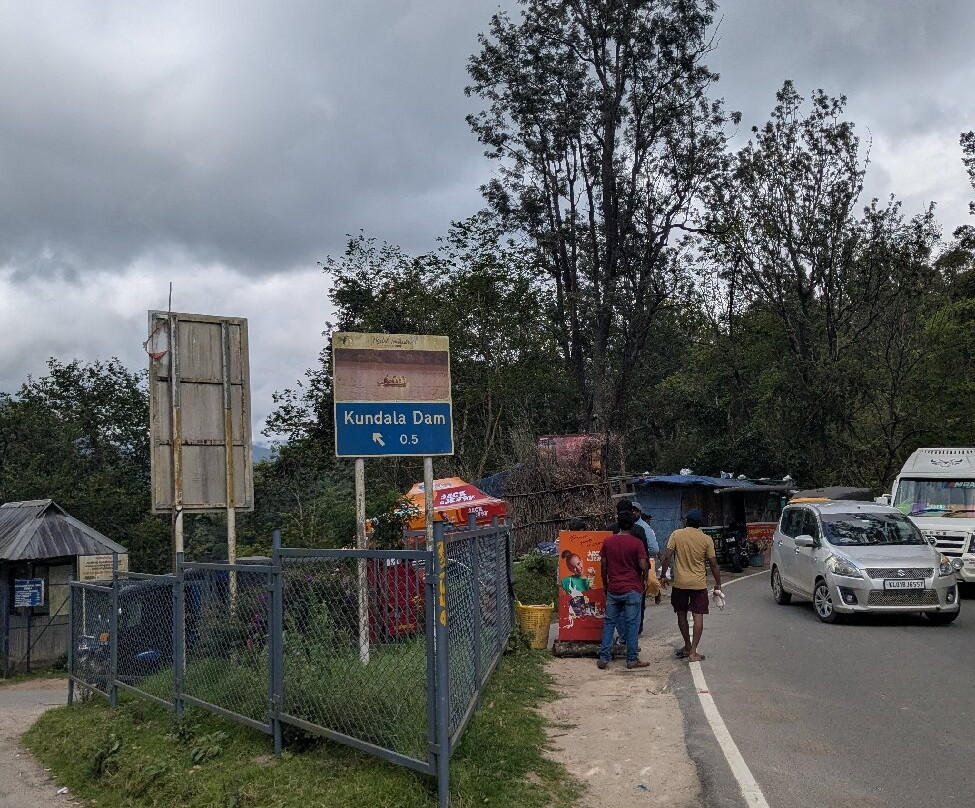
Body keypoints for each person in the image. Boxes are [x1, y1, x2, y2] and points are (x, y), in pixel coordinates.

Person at [659, 508, 722, 662]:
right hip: (699, 584)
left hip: (680, 583)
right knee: (698, 616)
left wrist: (663, 575)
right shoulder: (706, 539)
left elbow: (667, 557)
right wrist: (718, 583)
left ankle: (687, 645)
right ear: (700, 524)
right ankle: (693, 651)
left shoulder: (676, 534)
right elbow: (713, 564)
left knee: (681, 614)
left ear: (686, 521)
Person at [597, 510, 650, 670]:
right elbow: (642, 564)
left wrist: (605, 584)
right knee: (632, 624)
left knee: (609, 623)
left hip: (614, 588)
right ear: (632, 525)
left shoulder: (608, 542)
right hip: (632, 588)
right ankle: (632, 659)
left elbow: (603, 565)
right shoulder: (637, 543)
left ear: (618, 524)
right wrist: (645, 578)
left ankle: (604, 658)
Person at [632, 503, 661, 605]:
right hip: (626, 567)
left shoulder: (644, 528)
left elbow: (654, 549)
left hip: (641, 564)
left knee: (649, 582)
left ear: (640, 512)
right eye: (631, 510)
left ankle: (657, 593)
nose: (633, 512)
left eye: (636, 511)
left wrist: (641, 555)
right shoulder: (621, 526)